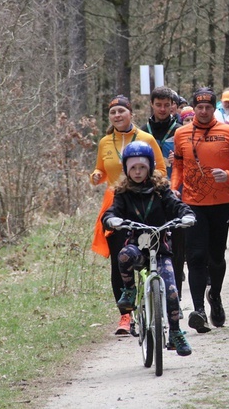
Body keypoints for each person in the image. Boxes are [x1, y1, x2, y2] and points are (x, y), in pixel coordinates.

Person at [101, 142, 195, 356]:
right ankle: (129, 290)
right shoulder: (122, 193)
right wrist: (112, 220)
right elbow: (111, 212)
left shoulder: (161, 190)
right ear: (126, 169)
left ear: (150, 168)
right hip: (136, 246)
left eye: (142, 167)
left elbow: (176, 205)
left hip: (160, 248)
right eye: (133, 167)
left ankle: (175, 333)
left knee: (171, 289)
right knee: (123, 256)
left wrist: (186, 214)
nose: (137, 172)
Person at [171, 87, 229, 333]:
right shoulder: (181, 133)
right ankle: (199, 311)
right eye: (199, 107)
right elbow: (178, 168)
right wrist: (174, 188)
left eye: (207, 107)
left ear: (213, 108)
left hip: (221, 203)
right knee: (195, 257)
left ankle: (214, 296)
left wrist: (228, 174)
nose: (203, 111)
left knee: (216, 258)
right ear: (193, 108)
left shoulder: (227, 132)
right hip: (192, 204)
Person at [90, 95, 166, 335]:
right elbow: (102, 170)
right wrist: (96, 175)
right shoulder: (104, 142)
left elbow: (162, 169)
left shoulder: (146, 138)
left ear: (130, 113)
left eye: (121, 111)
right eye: (113, 113)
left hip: (144, 203)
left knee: (151, 256)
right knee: (118, 262)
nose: (117, 116)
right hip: (117, 206)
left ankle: (159, 301)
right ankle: (125, 316)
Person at [141, 86, 185, 302]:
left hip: (175, 193)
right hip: (149, 194)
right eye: (158, 105)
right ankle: (151, 296)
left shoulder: (180, 130)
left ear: (173, 106)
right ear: (152, 104)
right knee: (149, 245)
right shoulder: (142, 131)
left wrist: (178, 161)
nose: (162, 109)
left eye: (167, 105)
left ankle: (176, 296)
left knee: (177, 248)